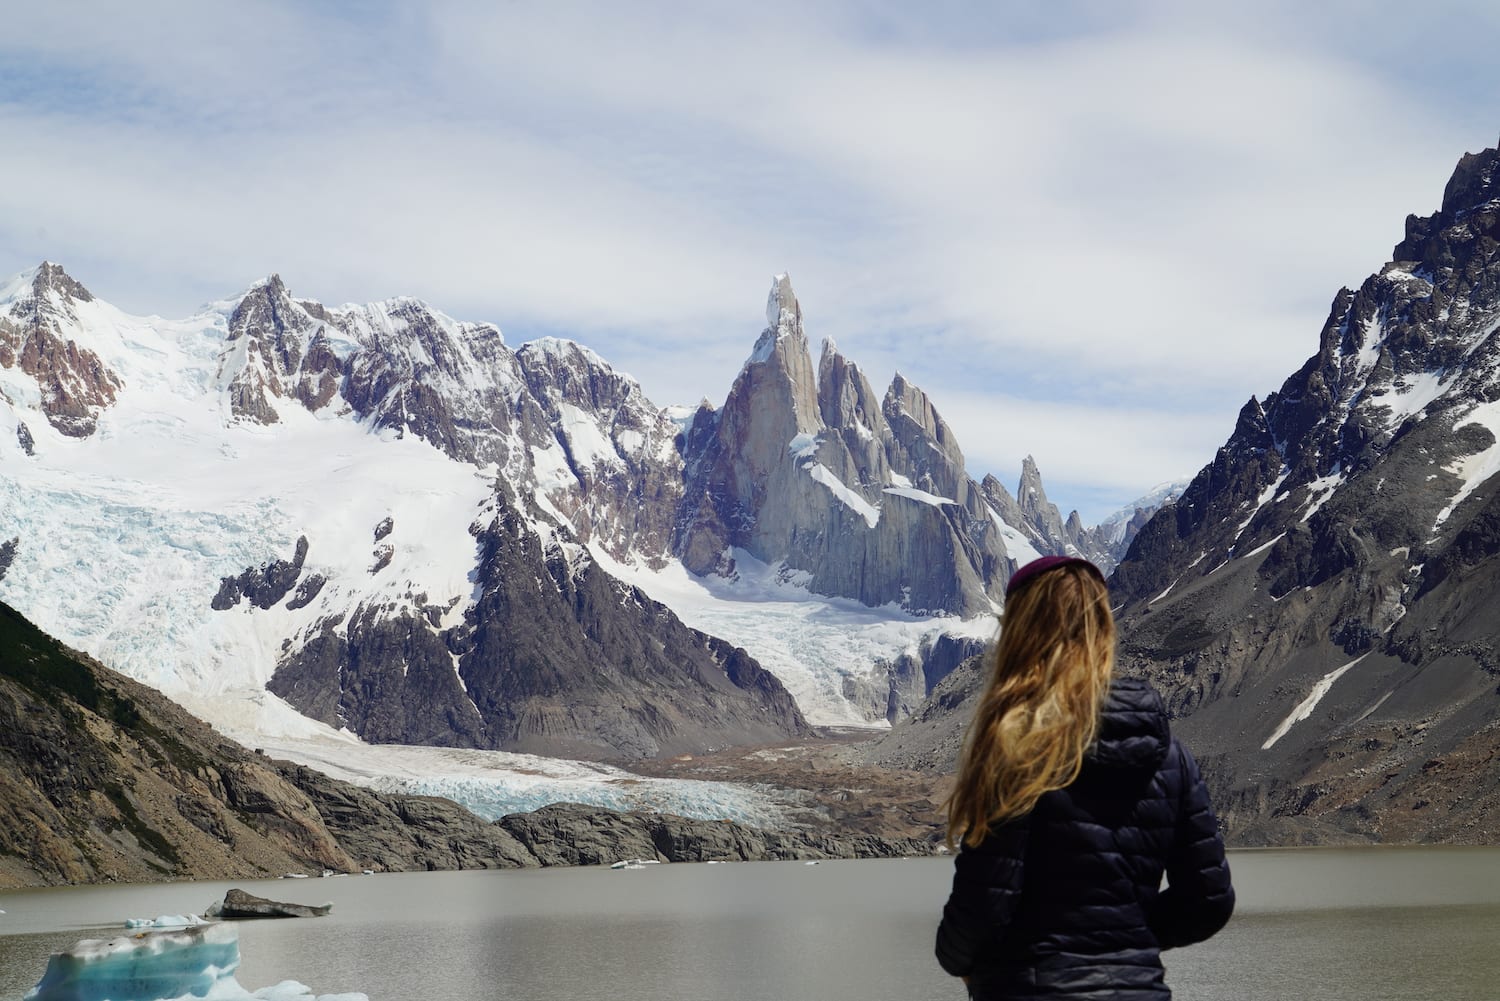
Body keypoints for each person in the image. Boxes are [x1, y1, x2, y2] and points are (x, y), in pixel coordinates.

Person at [935, 555, 1234, 999]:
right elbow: (1208, 899)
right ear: (1101, 629)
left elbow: (983, 905)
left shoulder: (1017, 748)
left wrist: (956, 958)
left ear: (1020, 634)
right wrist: (1123, 938)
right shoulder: (1171, 756)